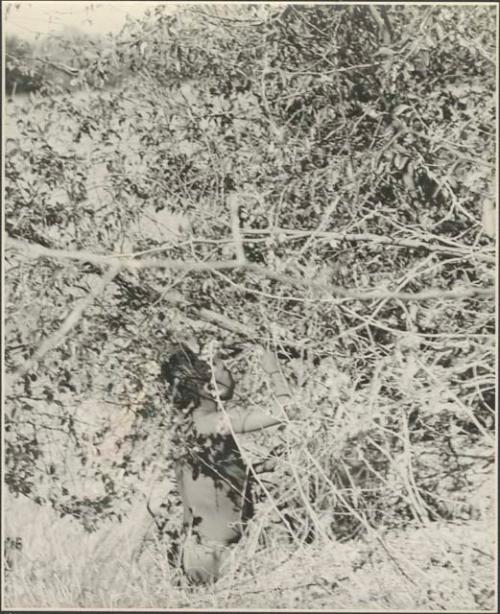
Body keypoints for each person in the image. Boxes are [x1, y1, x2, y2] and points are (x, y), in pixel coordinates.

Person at [161, 342, 291, 584]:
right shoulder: (212, 423)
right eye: (222, 366)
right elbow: (286, 409)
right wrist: (274, 370)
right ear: (210, 386)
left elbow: (213, 485)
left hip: (197, 552)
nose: (229, 372)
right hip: (217, 557)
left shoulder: (187, 427)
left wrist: (260, 468)